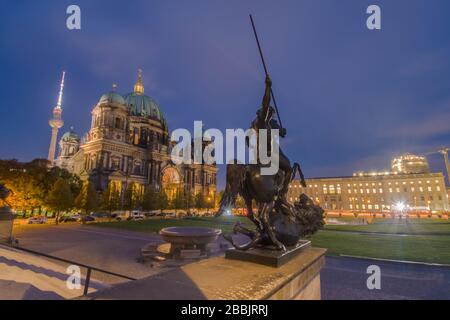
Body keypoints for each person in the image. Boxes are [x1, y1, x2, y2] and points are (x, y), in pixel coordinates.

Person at [250, 75, 293, 200]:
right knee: (289, 168)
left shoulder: (267, 125)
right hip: (267, 154)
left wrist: (281, 131)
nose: (271, 115)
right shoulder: (262, 122)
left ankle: (279, 185)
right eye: (270, 113)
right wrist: (268, 87)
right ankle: (283, 191)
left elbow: (277, 130)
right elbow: (265, 102)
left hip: (264, 153)